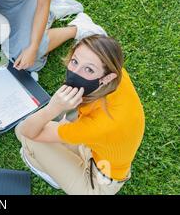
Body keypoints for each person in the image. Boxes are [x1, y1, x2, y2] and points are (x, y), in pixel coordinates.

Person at [15, 35, 145, 195]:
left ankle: (52, 173)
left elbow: (27, 132)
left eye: (89, 69)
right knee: (39, 127)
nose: (75, 73)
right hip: (99, 151)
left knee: (26, 136)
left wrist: (53, 108)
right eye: (75, 61)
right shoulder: (116, 75)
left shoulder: (99, 125)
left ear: (108, 77)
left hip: (99, 182)